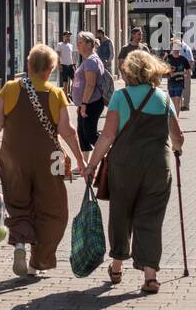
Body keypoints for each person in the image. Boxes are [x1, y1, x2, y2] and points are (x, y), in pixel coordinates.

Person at [0, 44, 86, 279]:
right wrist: (81, 161)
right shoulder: (56, 93)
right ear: (51, 69)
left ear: (28, 65)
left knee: (18, 203)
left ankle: (19, 245)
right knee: (52, 209)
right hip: (48, 160)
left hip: (13, 158)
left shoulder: (9, 89)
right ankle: (38, 261)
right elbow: (68, 132)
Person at [84, 49, 185, 294]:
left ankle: (117, 265)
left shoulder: (120, 97)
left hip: (124, 165)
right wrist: (178, 150)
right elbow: (178, 138)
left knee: (121, 213)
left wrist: (92, 164)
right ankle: (150, 275)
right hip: (157, 167)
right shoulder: (162, 98)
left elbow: (107, 136)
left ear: (128, 72)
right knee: (150, 219)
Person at [71, 31, 105, 152]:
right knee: (82, 135)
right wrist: (81, 104)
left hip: (91, 103)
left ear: (89, 44)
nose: (77, 45)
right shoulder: (88, 60)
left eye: (80, 42)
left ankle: (111, 154)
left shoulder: (91, 61)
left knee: (91, 135)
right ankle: (85, 165)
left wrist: (84, 104)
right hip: (85, 103)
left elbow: (90, 84)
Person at [164, 41, 189, 116]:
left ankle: (176, 118)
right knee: (172, 101)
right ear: (172, 48)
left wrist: (178, 73)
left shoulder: (183, 59)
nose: (176, 49)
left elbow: (188, 71)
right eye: (174, 47)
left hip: (179, 82)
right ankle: (173, 118)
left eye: (178, 47)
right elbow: (162, 68)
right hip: (171, 82)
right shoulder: (168, 58)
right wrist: (168, 71)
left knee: (177, 100)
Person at [178, 37, 194, 111]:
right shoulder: (176, 47)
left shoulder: (186, 48)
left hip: (185, 72)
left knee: (186, 90)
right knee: (178, 89)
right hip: (177, 72)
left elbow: (191, 61)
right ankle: (180, 105)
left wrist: (187, 71)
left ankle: (186, 105)